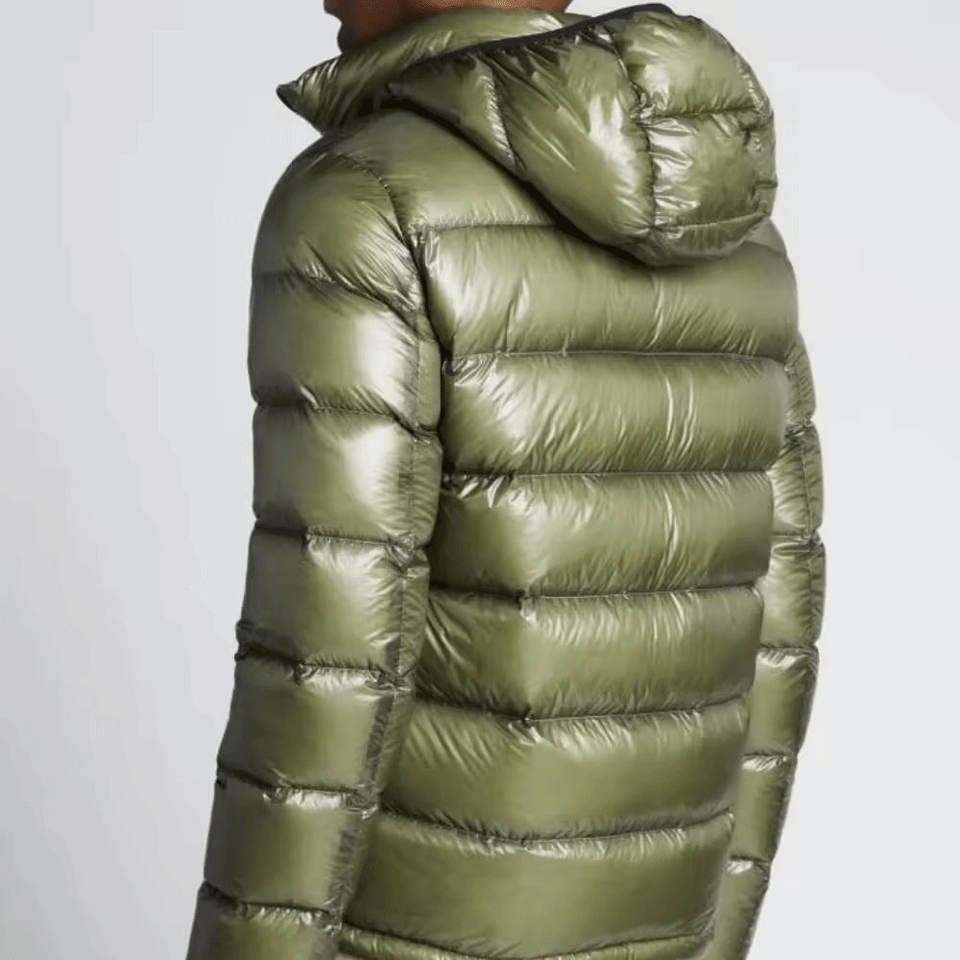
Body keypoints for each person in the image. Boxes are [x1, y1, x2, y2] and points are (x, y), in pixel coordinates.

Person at [185, 3, 825, 960]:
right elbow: (781, 622)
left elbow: (327, 653)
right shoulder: (741, 232)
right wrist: (716, 935)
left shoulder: (364, 204)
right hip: (661, 926)